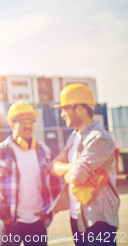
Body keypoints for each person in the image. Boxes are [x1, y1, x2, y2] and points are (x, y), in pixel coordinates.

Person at [50, 83, 119, 246]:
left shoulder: (99, 138)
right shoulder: (74, 137)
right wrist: (75, 165)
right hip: (77, 217)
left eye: (65, 109)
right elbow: (54, 167)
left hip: (98, 221)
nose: (62, 114)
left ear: (80, 108)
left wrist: (71, 170)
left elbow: (75, 177)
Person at [0, 101, 58, 246]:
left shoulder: (45, 151)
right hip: (10, 223)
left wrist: (49, 212)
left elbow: (55, 184)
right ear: (11, 124)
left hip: (38, 223)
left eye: (31, 121)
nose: (28, 126)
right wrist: (4, 216)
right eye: (23, 121)